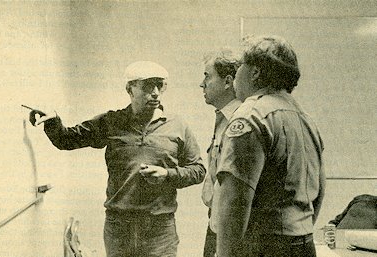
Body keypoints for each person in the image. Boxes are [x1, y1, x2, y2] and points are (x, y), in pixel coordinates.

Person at [28, 60, 206, 257]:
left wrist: (167, 174)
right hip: (119, 228)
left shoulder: (177, 125)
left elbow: (198, 170)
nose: (155, 92)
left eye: (160, 85)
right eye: (148, 85)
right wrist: (52, 120)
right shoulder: (112, 122)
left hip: (159, 229)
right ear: (130, 89)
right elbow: (67, 139)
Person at [215, 36, 325, 257]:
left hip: (263, 247)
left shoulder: (251, 115)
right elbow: (319, 191)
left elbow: (234, 203)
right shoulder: (304, 118)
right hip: (303, 243)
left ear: (255, 72)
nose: (236, 74)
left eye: (240, 68)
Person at [199, 49, 242, 257]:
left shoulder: (240, 121)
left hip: (229, 231)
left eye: (207, 76)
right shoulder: (222, 117)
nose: (202, 83)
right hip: (215, 223)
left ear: (227, 82)